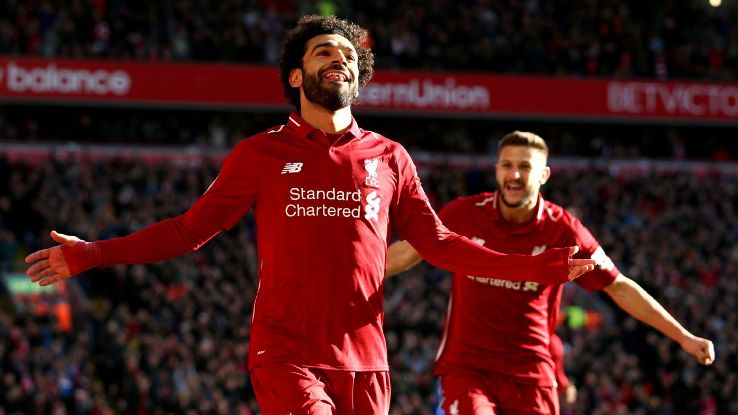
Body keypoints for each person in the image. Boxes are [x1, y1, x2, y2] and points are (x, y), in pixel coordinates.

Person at [24, 17, 596, 415]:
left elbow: (439, 243)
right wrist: (93, 253)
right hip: (286, 351)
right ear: (296, 77)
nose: (339, 59)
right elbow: (187, 230)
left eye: (347, 55)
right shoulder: (259, 154)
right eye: (324, 51)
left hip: (369, 361)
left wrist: (535, 265)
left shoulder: (390, 157)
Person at [385, 131, 715, 415]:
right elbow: (408, 251)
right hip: (468, 369)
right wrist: (346, 271)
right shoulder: (463, 215)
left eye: (525, 167)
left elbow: (619, 287)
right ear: (497, 169)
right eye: (507, 165)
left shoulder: (565, 232)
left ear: (544, 175)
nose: (514, 175)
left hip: (532, 375)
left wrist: (683, 336)